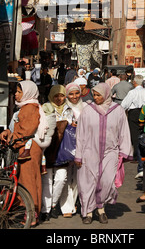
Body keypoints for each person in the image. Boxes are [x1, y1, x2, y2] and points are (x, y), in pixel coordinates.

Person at [74, 82, 132, 224]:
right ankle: (87, 212)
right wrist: (79, 154)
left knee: (107, 181)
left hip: (110, 152)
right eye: (94, 94)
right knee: (88, 183)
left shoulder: (117, 110)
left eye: (98, 95)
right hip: (89, 151)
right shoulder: (88, 110)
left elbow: (124, 131)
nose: (95, 97)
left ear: (106, 94)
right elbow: (80, 134)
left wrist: (124, 151)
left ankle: (101, 208)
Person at [0, 80, 47, 226]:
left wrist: (11, 138)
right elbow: (18, 128)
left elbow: (25, 131)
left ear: (27, 93)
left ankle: (31, 215)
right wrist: (8, 132)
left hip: (29, 149)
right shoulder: (24, 108)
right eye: (16, 91)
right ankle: (28, 212)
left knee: (28, 182)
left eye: (19, 92)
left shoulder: (30, 108)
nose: (15, 94)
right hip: (24, 147)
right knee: (25, 180)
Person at [41, 85, 74, 221]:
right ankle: (46, 209)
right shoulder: (45, 108)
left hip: (63, 149)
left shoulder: (69, 108)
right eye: (56, 96)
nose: (59, 99)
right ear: (51, 96)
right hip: (48, 148)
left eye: (61, 95)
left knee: (61, 178)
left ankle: (53, 205)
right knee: (47, 180)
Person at [59, 82, 88, 218]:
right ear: (66, 95)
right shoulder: (63, 108)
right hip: (67, 146)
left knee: (78, 178)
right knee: (65, 176)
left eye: (76, 93)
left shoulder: (86, 107)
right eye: (71, 93)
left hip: (83, 146)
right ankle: (66, 207)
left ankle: (74, 202)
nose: (74, 96)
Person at [121, 75, 145, 160]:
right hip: (144, 112)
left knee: (134, 134)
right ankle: (143, 152)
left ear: (134, 82)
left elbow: (124, 104)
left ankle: (136, 155)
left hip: (134, 113)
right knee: (143, 132)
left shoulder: (132, 92)